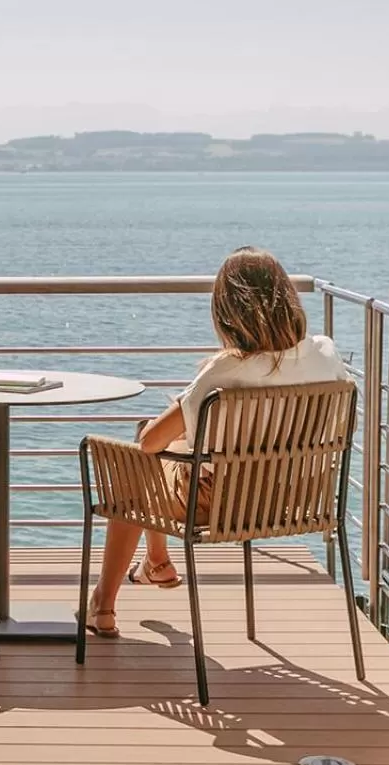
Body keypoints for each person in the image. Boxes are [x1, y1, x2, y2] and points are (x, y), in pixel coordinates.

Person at [82, 246, 352, 637]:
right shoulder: (325, 354)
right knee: (150, 460)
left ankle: (102, 606)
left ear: (228, 312)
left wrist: (182, 410)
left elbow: (151, 443)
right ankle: (156, 563)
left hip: (220, 501)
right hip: (297, 495)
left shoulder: (225, 371)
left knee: (131, 468)